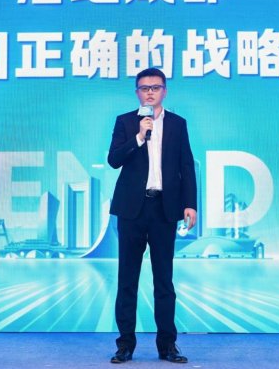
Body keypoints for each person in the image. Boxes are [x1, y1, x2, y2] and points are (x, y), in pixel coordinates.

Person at [107, 67, 197, 364]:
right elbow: (113, 160)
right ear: (137, 92)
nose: (150, 92)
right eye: (144, 88)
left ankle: (167, 346)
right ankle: (125, 345)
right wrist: (138, 137)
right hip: (132, 210)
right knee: (127, 280)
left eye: (155, 87)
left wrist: (190, 204)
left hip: (164, 208)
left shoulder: (178, 124)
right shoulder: (125, 122)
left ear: (164, 91)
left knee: (164, 281)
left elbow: (186, 165)